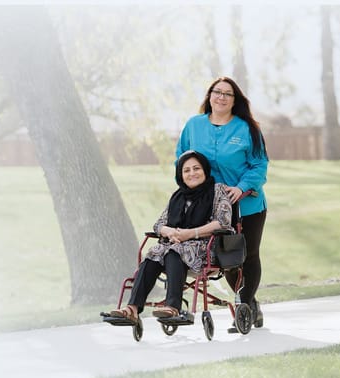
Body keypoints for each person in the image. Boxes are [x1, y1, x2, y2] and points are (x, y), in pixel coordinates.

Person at [175, 77, 269, 331]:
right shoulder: (194, 126)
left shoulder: (248, 128)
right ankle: (249, 305)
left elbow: (260, 165)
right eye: (217, 92)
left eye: (228, 94)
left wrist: (241, 187)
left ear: (234, 100)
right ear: (209, 96)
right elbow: (181, 158)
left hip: (247, 205)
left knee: (246, 255)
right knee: (225, 257)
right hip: (207, 207)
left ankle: (245, 305)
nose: (222, 97)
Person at [109, 150, 234, 322]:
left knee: (174, 251)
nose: (192, 173)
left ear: (205, 170)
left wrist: (190, 233)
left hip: (206, 248)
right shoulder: (178, 196)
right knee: (154, 253)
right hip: (175, 244)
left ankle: (173, 307)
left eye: (196, 168)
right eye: (186, 170)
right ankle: (132, 309)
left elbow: (223, 222)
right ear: (181, 175)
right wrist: (169, 232)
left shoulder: (217, 190)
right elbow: (159, 224)